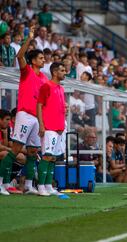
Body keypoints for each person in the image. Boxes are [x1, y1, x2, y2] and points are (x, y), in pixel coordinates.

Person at [0, 26, 48, 196]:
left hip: (36, 118)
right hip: (24, 115)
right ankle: (2, 183)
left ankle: (28, 185)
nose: (44, 60)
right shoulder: (26, 72)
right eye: (41, 58)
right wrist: (29, 38)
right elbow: (19, 56)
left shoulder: (44, 78)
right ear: (33, 60)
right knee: (15, 149)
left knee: (33, 152)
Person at [37, 62, 66, 196]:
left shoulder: (61, 88)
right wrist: (41, 124)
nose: (65, 72)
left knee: (53, 157)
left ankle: (48, 185)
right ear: (55, 72)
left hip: (59, 128)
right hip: (49, 127)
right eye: (62, 70)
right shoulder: (46, 86)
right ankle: (41, 186)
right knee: (47, 156)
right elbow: (39, 105)